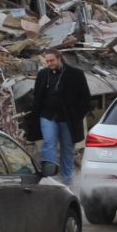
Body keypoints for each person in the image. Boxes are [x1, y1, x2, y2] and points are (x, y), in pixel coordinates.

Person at [26, 49, 89, 184]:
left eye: (52, 60)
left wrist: (77, 116)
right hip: (47, 116)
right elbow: (37, 96)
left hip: (68, 118)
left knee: (67, 149)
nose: (49, 64)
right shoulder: (43, 74)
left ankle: (67, 180)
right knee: (49, 143)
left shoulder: (75, 74)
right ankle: (50, 177)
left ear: (59, 58)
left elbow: (85, 98)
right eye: (47, 61)